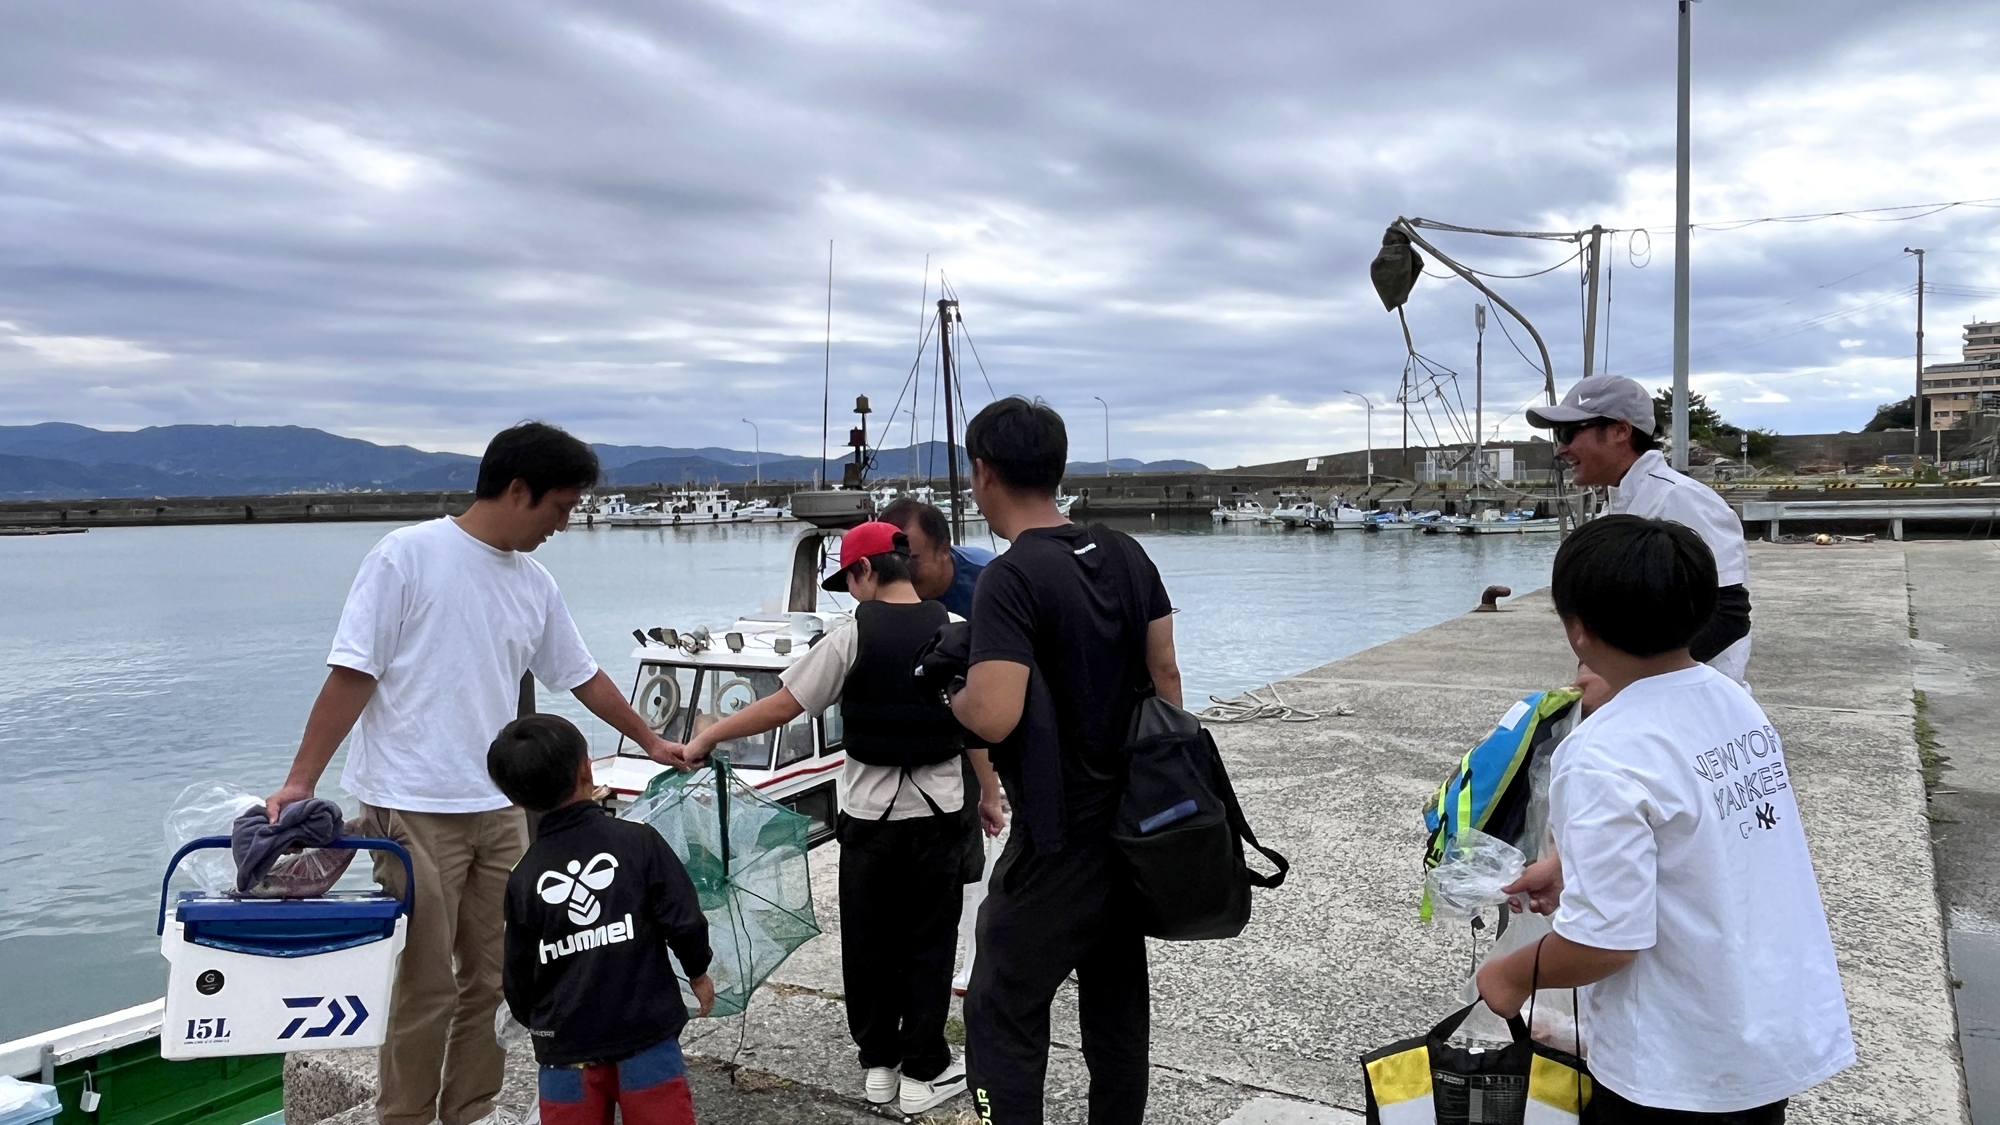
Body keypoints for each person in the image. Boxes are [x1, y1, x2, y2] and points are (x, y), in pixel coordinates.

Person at [264, 422, 678, 1125]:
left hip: (502, 807)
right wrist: (302, 780)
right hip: (411, 801)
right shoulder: (406, 556)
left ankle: (471, 1108)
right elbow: (352, 673)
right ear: (519, 490)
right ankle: (405, 1116)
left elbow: (582, 674)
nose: (564, 523)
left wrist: (650, 739)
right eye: (560, 507)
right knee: (425, 984)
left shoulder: (534, 582)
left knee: (495, 977)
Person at [1477, 515, 1853, 1123]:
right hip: (1759, 1027)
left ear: (1577, 630)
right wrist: (1569, 866)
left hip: (1674, 1063)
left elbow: (1605, 943)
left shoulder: (1602, 753)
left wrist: (1513, 974)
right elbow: (1701, 837)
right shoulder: (1732, 700)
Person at [657, 521, 1005, 1116]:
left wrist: (709, 734)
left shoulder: (849, 637)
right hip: (940, 812)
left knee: (869, 940)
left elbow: (782, 705)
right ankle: (924, 1069)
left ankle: (879, 1063)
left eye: (848, 579)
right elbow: (973, 724)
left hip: (869, 817)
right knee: (930, 940)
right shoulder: (955, 629)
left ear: (867, 570)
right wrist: (990, 793)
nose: (849, 591)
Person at [948, 396, 1183, 1125]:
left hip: (1056, 841)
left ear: (984, 472)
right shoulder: (1124, 551)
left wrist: (947, 694)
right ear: (1055, 466)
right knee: (1116, 1010)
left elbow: (995, 711)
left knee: (1000, 1008)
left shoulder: (1009, 578)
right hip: (1133, 834)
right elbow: (1168, 676)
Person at [490, 714, 714, 1125]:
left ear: (514, 800)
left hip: (565, 1053)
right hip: (646, 1036)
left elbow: (517, 972)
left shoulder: (523, 877)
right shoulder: (638, 842)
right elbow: (683, 919)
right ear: (586, 769)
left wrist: (539, 1022)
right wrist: (697, 972)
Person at [1526, 375, 1754, 685]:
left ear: (1620, 430)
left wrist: (1622, 678)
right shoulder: (1617, 502)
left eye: (1568, 433)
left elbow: (1729, 613)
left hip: (1684, 706)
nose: (1560, 449)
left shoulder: (1680, 497)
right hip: (1640, 697)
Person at [878, 496, 1001, 995]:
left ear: (946, 551)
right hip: (939, 718)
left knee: (988, 834)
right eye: (895, 561)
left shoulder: (993, 581)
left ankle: (983, 958)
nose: (904, 573)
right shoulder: (890, 592)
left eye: (914, 560)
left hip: (996, 703)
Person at [879, 496, 996, 618]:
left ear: (943, 550)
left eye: (911, 560)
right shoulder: (879, 583)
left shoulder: (992, 581)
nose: (900, 574)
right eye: (890, 562)